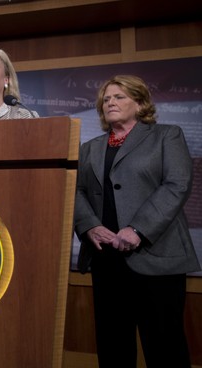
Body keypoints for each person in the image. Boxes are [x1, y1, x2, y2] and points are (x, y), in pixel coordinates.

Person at [74, 75, 200, 368]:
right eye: (106, 99)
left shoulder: (167, 135)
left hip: (155, 257)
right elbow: (76, 190)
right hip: (107, 260)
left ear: (140, 103)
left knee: (164, 346)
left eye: (119, 97)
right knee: (113, 346)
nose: (111, 103)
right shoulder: (90, 147)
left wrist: (138, 229)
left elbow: (177, 184)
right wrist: (90, 225)